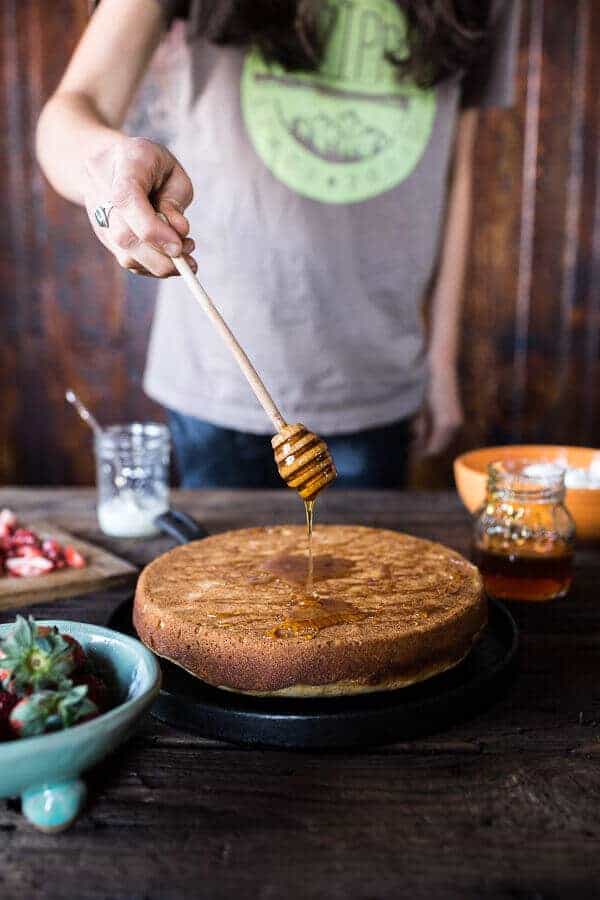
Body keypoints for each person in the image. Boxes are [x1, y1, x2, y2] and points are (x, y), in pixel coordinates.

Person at [36, 0, 520, 488]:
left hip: (381, 370)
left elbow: (456, 170)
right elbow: (72, 109)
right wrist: (109, 165)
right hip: (218, 368)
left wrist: (440, 362)